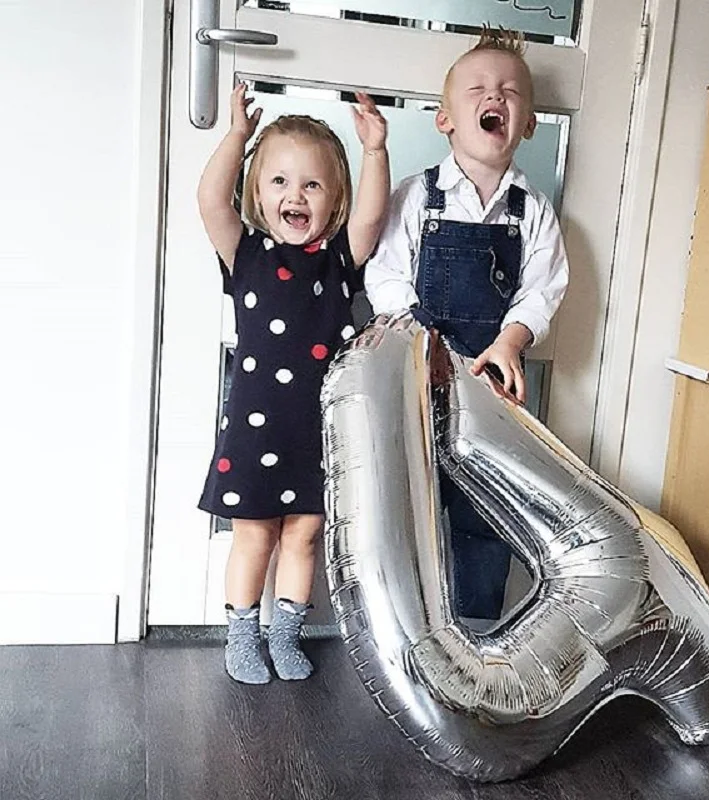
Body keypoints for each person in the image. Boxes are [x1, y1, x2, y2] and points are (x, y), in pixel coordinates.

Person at [365, 28, 568, 625]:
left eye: (510, 91)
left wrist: (510, 341)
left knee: (485, 507)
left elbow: (543, 289)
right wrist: (420, 340)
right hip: (417, 378)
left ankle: (478, 629)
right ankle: (408, 627)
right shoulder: (415, 197)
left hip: (491, 386)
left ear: (528, 124)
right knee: (411, 503)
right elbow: (386, 276)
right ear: (445, 119)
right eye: (477, 89)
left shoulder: (533, 211)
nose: (495, 97)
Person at [198, 84, 389, 683]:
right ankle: (241, 638)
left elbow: (372, 217)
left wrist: (375, 151)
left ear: (334, 200)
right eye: (279, 181)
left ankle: (285, 636)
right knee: (254, 536)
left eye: (311, 185)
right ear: (257, 192)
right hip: (255, 428)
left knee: (304, 535)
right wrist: (238, 137)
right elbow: (210, 201)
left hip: (316, 430)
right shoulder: (246, 253)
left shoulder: (339, 261)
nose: (295, 195)